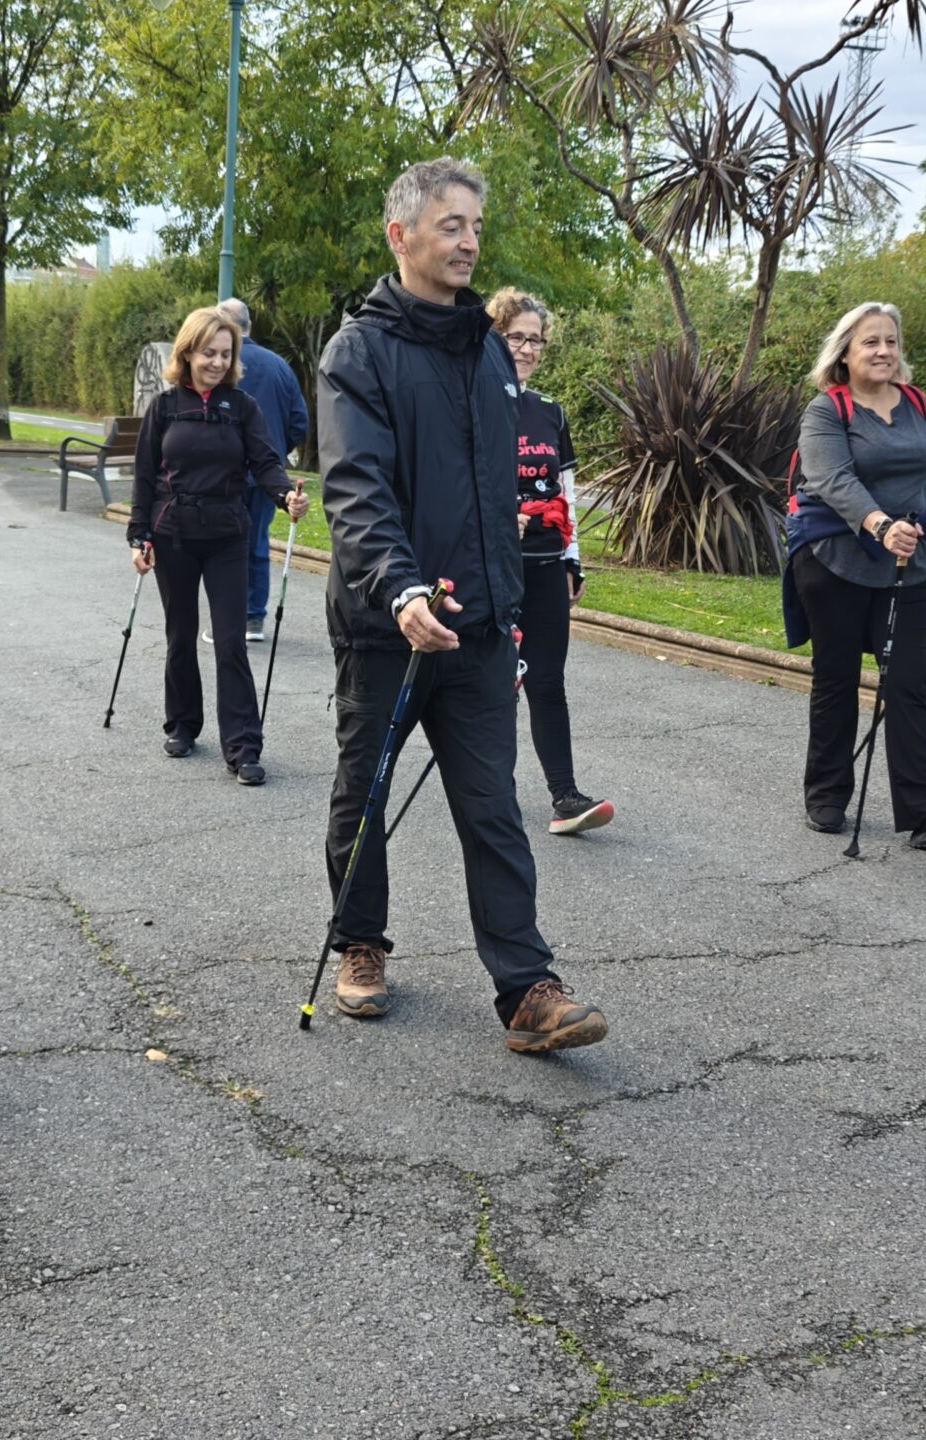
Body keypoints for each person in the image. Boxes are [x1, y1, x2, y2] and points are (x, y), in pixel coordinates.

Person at [314, 157, 609, 1053]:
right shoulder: (356, 353)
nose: (470, 241)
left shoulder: (485, 345)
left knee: (492, 807)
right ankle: (360, 942)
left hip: (480, 626)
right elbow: (356, 488)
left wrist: (511, 600)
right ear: (400, 236)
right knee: (365, 796)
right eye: (452, 226)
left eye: (476, 226)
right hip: (386, 625)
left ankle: (526, 990)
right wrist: (400, 586)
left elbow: (493, 487)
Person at [784, 302, 926, 852]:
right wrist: (880, 526)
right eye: (870, 342)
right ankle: (826, 793)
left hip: (907, 568)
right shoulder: (827, 411)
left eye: (891, 342)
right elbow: (833, 479)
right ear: (845, 354)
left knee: (907, 685)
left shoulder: (919, 404)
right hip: (833, 561)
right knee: (836, 678)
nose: (883, 351)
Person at [126, 306, 307, 786]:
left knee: (231, 643)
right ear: (187, 352)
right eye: (209, 353)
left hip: (228, 535)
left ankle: (243, 747)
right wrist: (138, 535)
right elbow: (145, 477)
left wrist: (285, 495)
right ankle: (183, 724)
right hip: (173, 534)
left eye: (226, 355)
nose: (218, 363)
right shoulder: (165, 408)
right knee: (180, 636)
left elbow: (267, 463)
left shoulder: (242, 407)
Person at [487, 287, 612, 836]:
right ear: (495, 338)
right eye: (516, 337)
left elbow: (566, 493)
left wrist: (573, 562)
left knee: (547, 682)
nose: (528, 348)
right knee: (493, 682)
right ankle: (492, 796)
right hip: (491, 568)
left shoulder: (550, 412)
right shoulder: (474, 403)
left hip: (544, 564)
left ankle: (565, 797)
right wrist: (497, 518)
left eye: (536, 340)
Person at [216, 297, 309, 644]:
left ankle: (228, 617)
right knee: (257, 542)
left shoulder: (219, 365)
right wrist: (273, 453)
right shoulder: (278, 366)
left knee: (224, 545)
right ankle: (253, 618)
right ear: (250, 325)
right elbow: (299, 419)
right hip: (266, 476)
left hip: (224, 473)